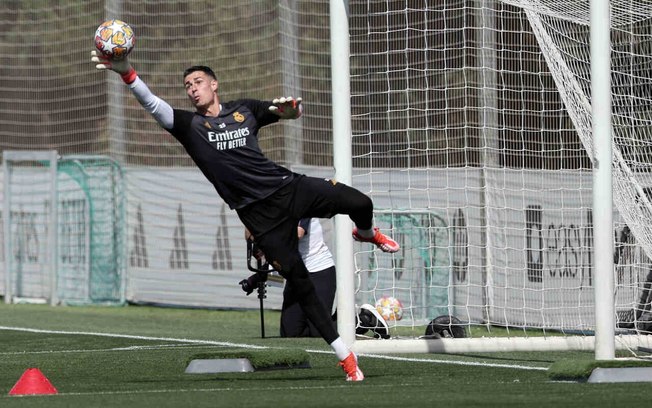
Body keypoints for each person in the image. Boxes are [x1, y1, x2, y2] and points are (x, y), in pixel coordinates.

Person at [91, 50, 400, 382]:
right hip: (261, 218)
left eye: (198, 82)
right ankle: (345, 356)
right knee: (300, 283)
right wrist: (127, 73)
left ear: (214, 84)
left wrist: (292, 111)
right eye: (187, 85)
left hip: (289, 187)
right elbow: (153, 104)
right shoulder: (189, 125)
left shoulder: (244, 110)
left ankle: (366, 233)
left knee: (359, 201)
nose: (193, 88)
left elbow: (284, 112)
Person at [242, 219, 390, 339]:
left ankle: (364, 319)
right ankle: (332, 321)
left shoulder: (298, 203)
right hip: (295, 273)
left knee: (319, 331)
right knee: (291, 332)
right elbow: (258, 237)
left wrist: (266, 239)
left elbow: (297, 234)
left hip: (319, 271)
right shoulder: (269, 209)